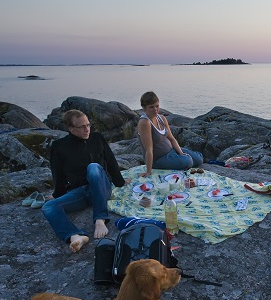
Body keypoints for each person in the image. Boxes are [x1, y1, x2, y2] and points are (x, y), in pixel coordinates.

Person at [42, 109, 127, 252]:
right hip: (81, 192)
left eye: (88, 125)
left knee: (93, 167)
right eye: (82, 127)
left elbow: (111, 163)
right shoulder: (59, 146)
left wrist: (121, 182)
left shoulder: (97, 138)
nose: (87, 129)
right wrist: (57, 195)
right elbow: (58, 174)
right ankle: (75, 236)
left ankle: (100, 219)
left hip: (101, 188)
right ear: (70, 128)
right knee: (49, 207)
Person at [137, 91, 203, 178]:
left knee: (199, 159)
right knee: (188, 161)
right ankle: (181, 161)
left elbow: (171, 138)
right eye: (151, 107)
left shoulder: (162, 118)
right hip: (158, 159)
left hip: (171, 151)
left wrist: (181, 153)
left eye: (157, 106)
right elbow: (149, 149)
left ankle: (182, 159)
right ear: (144, 108)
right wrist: (149, 171)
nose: (155, 109)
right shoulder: (145, 123)